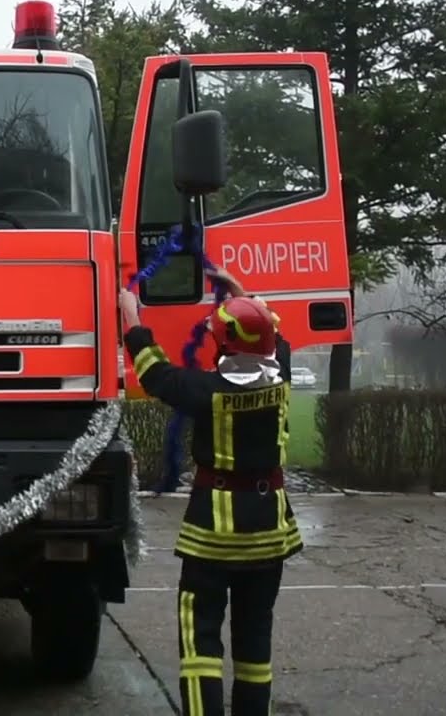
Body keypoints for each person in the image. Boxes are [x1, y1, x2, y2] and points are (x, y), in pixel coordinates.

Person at [119, 267, 301, 716]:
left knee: (201, 642)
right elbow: (273, 336)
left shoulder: (204, 390)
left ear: (224, 345)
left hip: (213, 536)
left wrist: (130, 315)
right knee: (255, 642)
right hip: (270, 533)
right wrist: (241, 294)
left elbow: (153, 372)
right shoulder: (280, 380)